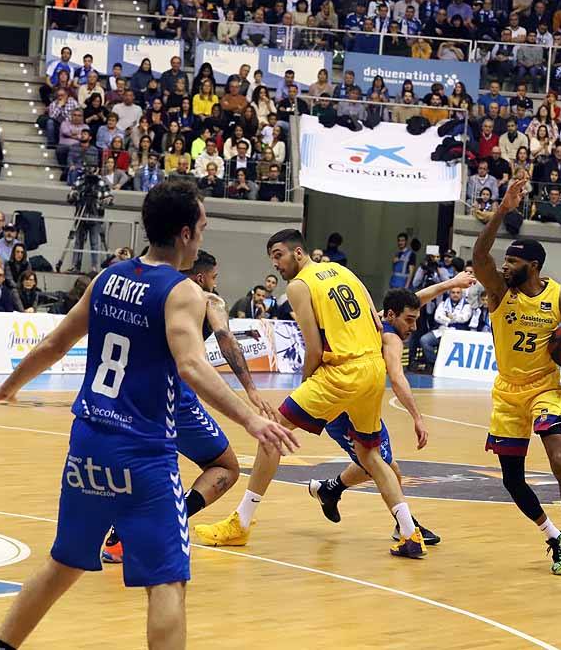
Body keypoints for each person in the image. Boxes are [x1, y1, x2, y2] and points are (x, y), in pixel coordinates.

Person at [0, 179, 296, 650]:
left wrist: (7, 387)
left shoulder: (108, 277)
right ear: (184, 234)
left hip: (88, 443)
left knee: (65, 563)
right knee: (166, 583)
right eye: (201, 227)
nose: (203, 235)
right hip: (143, 454)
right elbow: (192, 365)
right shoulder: (182, 292)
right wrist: (250, 418)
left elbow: (55, 344)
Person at [195, 229, 430, 557]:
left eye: (278, 255)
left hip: (341, 372)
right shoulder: (343, 271)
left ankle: (241, 523)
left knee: (271, 433)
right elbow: (376, 321)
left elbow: (314, 348)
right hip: (372, 371)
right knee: (370, 456)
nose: (275, 263)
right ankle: (410, 533)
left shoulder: (299, 286)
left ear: (298, 253)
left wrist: (307, 385)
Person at [101, 249, 282, 564]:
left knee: (146, 464)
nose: (216, 283)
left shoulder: (151, 290)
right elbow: (225, 337)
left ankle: (118, 536)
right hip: (173, 394)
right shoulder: (206, 300)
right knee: (226, 467)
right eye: (214, 277)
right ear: (201, 277)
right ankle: (155, 526)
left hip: (124, 391)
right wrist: (251, 390)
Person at [471, 178, 561, 575]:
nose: (504, 266)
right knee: (512, 481)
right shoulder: (498, 292)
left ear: (533, 266)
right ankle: (552, 535)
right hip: (507, 393)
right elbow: (479, 255)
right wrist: (502, 211)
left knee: (560, 462)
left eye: (513, 262)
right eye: (504, 260)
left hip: (545, 389)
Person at [307, 272, 476, 540]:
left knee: (378, 465)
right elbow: (397, 378)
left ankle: (331, 490)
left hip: (357, 404)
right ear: (391, 316)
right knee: (383, 467)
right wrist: (417, 418)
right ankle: (405, 526)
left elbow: (416, 300)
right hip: (342, 409)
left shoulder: (376, 317)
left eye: (415, 320)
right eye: (408, 320)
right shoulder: (391, 339)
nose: (412, 326)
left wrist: (451, 284)